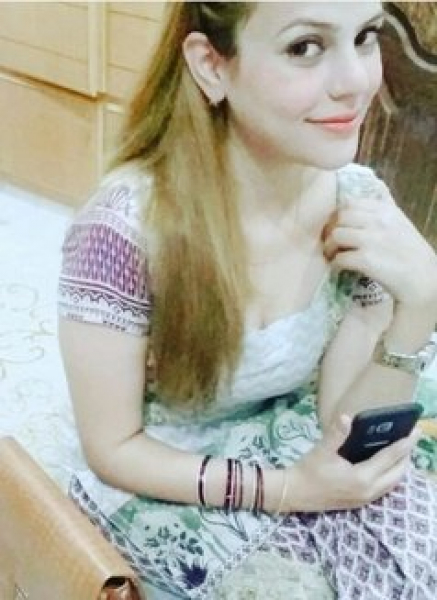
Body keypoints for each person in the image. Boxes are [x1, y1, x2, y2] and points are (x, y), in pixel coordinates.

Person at [58, 2, 437, 599]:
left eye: (365, 37)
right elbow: (113, 447)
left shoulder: (356, 204)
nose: (357, 81)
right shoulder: (126, 230)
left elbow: (342, 422)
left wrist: (420, 304)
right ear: (212, 65)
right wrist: (289, 490)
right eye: (305, 47)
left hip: (287, 430)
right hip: (166, 467)